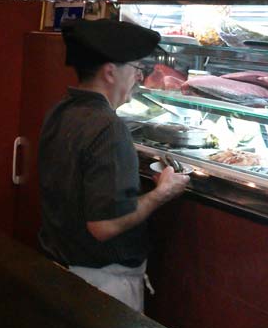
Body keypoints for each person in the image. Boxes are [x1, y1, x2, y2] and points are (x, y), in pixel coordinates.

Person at [37, 19, 190, 313]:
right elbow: (104, 225)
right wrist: (162, 192)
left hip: (61, 267)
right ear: (110, 72)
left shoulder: (61, 110)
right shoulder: (108, 127)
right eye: (136, 70)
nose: (139, 78)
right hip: (100, 285)